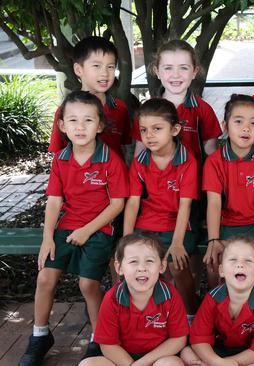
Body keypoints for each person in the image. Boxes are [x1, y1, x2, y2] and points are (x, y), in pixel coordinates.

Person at [19, 91, 129, 366]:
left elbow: (117, 204)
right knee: (45, 278)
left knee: (88, 284)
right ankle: (40, 335)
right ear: (62, 126)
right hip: (66, 227)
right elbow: (54, 201)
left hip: (99, 229)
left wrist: (87, 231)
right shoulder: (61, 160)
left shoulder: (110, 159)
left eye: (88, 120)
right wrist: (47, 238)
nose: (80, 127)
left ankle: (98, 338)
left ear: (100, 125)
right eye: (73, 121)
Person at [202, 94, 254, 300]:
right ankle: (218, 304)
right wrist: (214, 240)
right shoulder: (215, 162)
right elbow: (213, 204)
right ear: (225, 125)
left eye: (253, 123)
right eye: (238, 121)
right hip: (227, 226)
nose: (246, 128)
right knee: (215, 261)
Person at [123, 98, 200, 319]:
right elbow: (133, 203)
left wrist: (177, 242)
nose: (149, 136)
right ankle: (147, 314)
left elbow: (185, 205)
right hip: (147, 225)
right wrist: (127, 238)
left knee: (176, 264)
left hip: (179, 226)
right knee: (137, 263)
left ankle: (190, 312)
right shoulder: (141, 161)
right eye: (144, 130)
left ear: (174, 129)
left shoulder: (187, 161)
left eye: (157, 129)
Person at [80, 233, 189, 366]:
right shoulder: (113, 298)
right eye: (133, 262)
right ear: (119, 267)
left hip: (158, 357)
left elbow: (178, 339)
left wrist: (141, 363)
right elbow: (107, 344)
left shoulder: (170, 295)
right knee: (88, 364)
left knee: (172, 364)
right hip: (121, 359)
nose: (142, 268)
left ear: (162, 266)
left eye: (149, 261)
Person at [182, 235, 254, 366]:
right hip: (220, 352)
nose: (240, 265)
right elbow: (199, 339)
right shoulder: (213, 297)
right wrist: (216, 361)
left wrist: (228, 364)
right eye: (233, 260)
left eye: (248, 261)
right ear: (221, 270)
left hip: (252, 356)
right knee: (187, 352)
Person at [132, 39, 222, 160]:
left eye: (183, 68)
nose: (176, 75)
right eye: (168, 68)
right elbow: (140, 152)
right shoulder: (145, 110)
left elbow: (212, 154)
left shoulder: (203, 110)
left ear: (194, 72)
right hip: (156, 178)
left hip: (193, 178)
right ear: (157, 71)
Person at [48, 36, 132, 160]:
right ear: (78, 69)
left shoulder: (120, 108)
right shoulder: (64, 112)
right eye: (97, 66)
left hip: (114, 177)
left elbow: (123, 147)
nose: (105, 73)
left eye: (110, 67)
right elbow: (58, 156)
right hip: (77, 178)